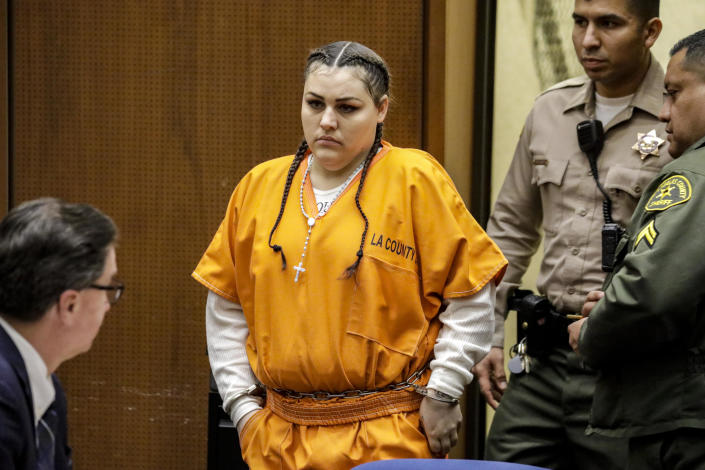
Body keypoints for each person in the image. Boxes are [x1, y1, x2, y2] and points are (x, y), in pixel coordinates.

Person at [193, 41, 507, 469]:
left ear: (380, 110)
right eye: (314, 103)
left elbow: (470, 296)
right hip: (278, 436)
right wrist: (243, 409)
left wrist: (444, 391)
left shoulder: (414, 179)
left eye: (346, 108)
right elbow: (226, 310)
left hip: (386, 432)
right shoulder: (259, 186)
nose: (326, 122)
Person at [476, 1, 670, 468]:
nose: (587, 39)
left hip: (628, 365)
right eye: (579, 22)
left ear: (649, 31)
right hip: (543, 354)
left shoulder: (676, 113)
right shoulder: (550, 110)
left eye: (608, 24)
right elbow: (509, 231)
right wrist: (487, 335)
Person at [569, 28, 705, 470]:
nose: (664, 114)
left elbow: (649, 295)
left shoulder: (692, 177)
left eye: (675, 93)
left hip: (681, 419)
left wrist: (593, 330)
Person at [0, 197, 121, 470]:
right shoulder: (3, 395)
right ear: (69, 304)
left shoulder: (46, 384)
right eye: (107, 288)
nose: (107, 307)